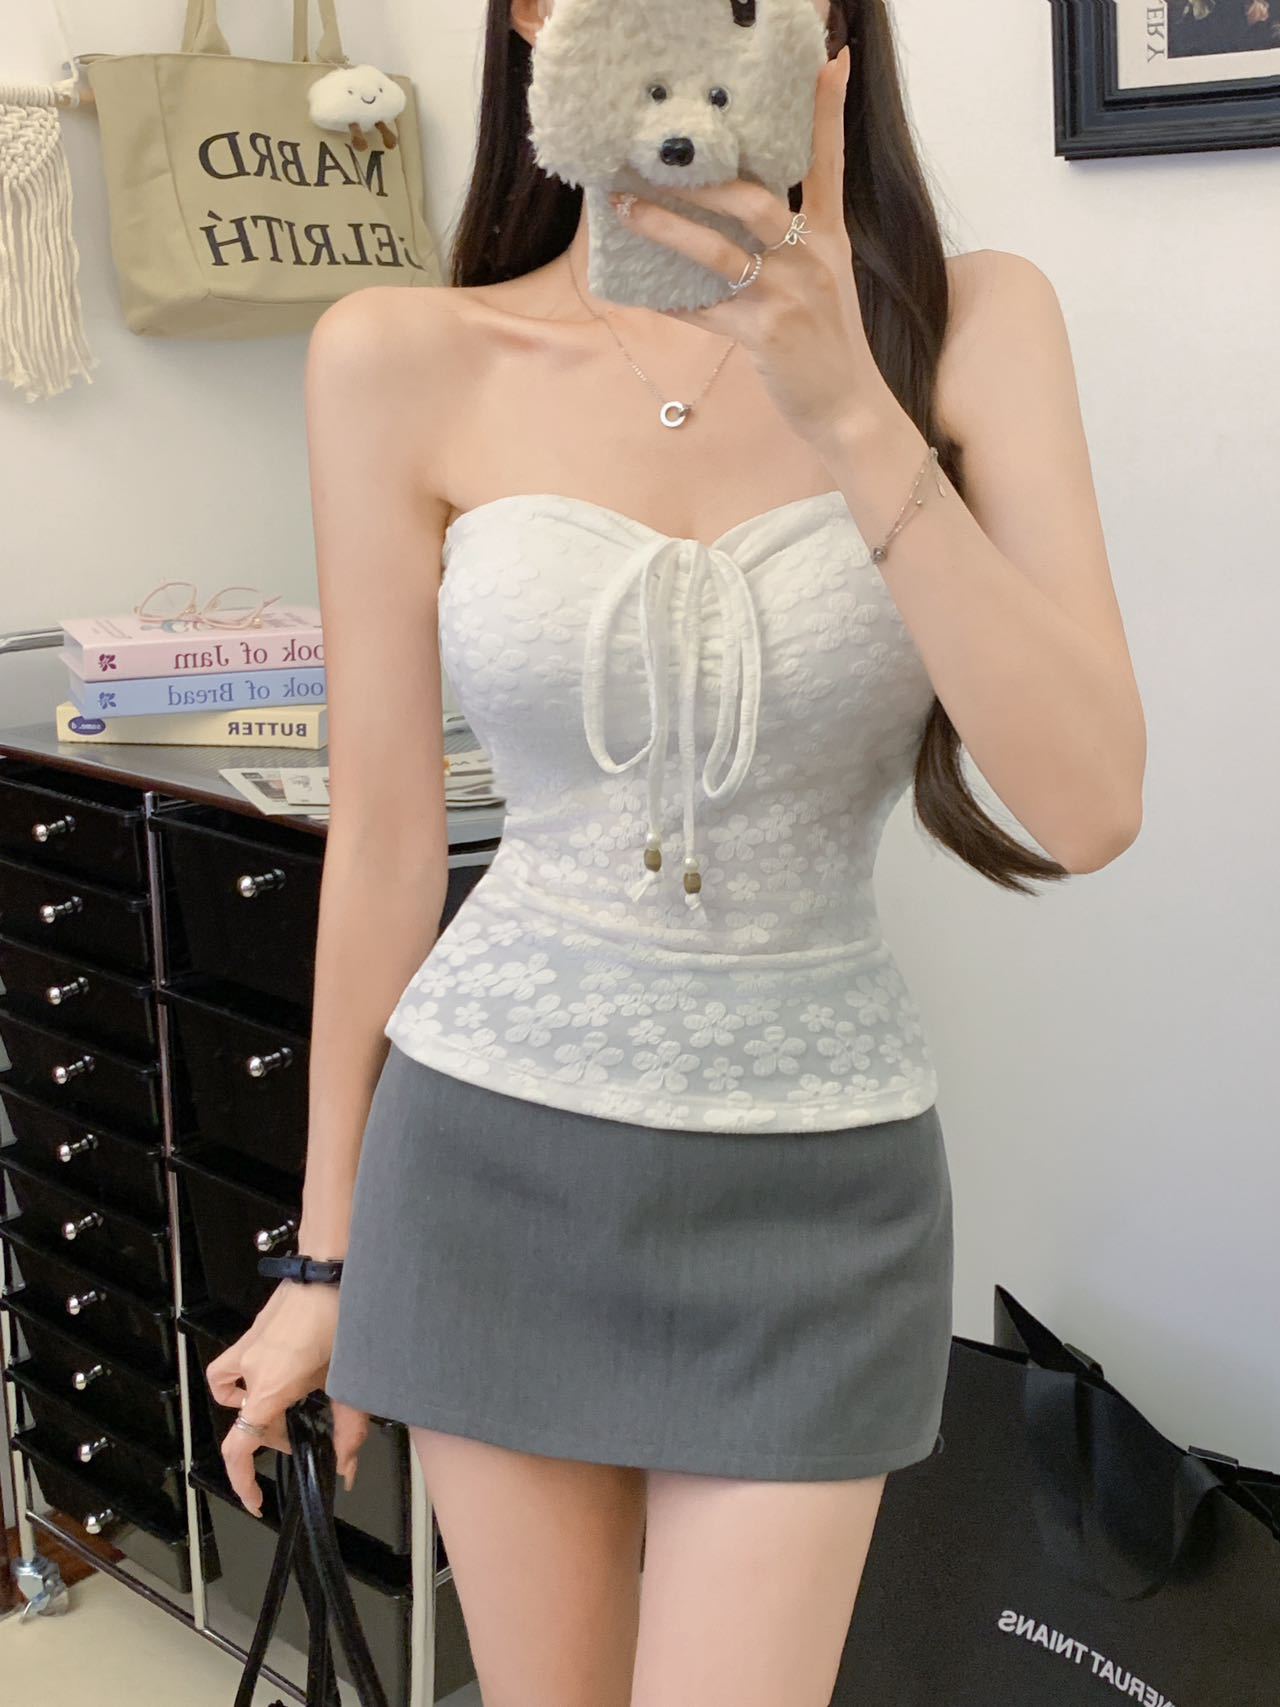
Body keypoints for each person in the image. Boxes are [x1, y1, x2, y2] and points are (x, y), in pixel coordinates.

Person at [206, 3, 1147, 1703]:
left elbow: (1086, 806)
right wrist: (324, 1257)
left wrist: (851, 406)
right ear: (533, 16)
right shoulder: (397, 354)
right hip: (486, 1166)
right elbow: (390, 840)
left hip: (820, 1196)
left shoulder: (977, 323)